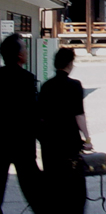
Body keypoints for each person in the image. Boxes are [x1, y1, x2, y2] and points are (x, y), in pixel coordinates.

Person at [39, 48, 92, 213]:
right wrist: (88, 140)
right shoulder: (74, 85)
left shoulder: (46, 86)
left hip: (50, 143)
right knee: (74, 187)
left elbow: (40, 116)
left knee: (54, 184)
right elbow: (79, 116)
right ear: (70, 63)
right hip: (69, 141)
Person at [0, 33, 45, 214]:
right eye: (24, 49)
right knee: (35, 190)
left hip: (1, 141)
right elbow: (32, 113)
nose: (26, 51)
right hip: (22, 142)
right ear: (19, 55)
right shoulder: (26, 78)